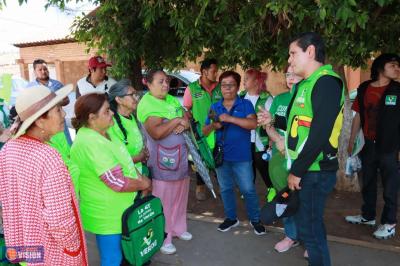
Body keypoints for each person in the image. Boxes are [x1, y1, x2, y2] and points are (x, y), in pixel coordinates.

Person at [0, 84, 87, 265]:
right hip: (52, 252)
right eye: (58, 110)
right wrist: (73, 249)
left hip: (24, 248)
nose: (64, 114)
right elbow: (60, 220)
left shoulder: (8, 149)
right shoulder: (48, 156)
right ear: (40, 121)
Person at [285, 32, 344, 266]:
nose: (289, 60)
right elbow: (298, 125)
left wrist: (297, 170)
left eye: (292, 53)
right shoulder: (305, 85)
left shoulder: (326, 82)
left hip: (315, 171)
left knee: (310, 231)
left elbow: (319, 133)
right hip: (307, 170)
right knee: (310, 226)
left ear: (310, 51)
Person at [70, 93, 151, 266]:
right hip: (107, 214)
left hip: (122, 209)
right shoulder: (89, 141)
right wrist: (143, 183)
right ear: (92, 118)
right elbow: (116, 181)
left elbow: (126, 162)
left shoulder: (105, 132)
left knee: (127, 254)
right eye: (107, 111)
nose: (112, 113)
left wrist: (141, 180)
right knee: (112, 259)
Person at [203, 70, 266, 235]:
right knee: (225, 188)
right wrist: (213, 126)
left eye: (231, 85)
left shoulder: (245, 105)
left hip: (242, 157)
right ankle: (231, 218)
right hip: (221, 156)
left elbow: (253, 124)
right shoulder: (215, 106)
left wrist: (230, 119)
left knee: (248, 189)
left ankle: (255, 219)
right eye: (224, 85)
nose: (227, 88)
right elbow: (204, 130)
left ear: (237, 87)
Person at [345, 53, 400, 239]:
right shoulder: (364, 88)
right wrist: (352, 140)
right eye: (393, 65)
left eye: (398, 66)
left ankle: (389, 222)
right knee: (367, 181)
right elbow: (358, 115)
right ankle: (368, 216)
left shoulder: (398, 90)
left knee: (390, 186)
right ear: (380, 68)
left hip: (390, 147)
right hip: (368, 144)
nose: (397, 68)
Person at [137, 69, 192, 255]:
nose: (166, 85)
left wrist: (182, 120)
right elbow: (157, 133)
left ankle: (178, 228)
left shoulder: (168, 99)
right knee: (164, 201)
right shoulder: (147, 103)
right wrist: (176, 120)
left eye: (167, 81)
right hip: (162, 162)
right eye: (160, 82)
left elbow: (187, 118)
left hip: (180, 159)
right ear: (149, 84)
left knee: (180, 195)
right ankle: (162, 237)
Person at [258, 66, 303, 253]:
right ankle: (291, 236)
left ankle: (308, 239)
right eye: (288, 74)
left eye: (295, 74)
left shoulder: (308, 99)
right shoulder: (279, 99)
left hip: (300, 159)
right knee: (284, 200)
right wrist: (273, 136)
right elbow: (268, 126)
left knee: (305, 200)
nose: (291, 78)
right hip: (278, 159)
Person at [183, 58, 222, 200]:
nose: (216, 74)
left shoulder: (219, 87)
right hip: (201, 133)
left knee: (219, 158)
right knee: (201, 161)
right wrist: (191, 127)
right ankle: (200, 187)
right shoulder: (192, 88)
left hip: (218, 131)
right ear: (204, 72)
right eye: (213, 71)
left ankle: (223, 187)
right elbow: (186, 110)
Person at [240, 68, 273, 193]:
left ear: (256, 82)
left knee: (262, 165)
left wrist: (271, 140)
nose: (244, 82)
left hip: (261, 140)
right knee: (247, 165)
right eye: (244, 79)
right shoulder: (241, 96)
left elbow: (272, 120)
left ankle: (271, 188)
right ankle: (248, 189)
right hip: (244, 138)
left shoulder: (266, 98)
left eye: (247, 79)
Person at [107, 79, 149, 175]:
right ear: (119, 99)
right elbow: (114, 159)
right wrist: (139, 157)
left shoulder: (132, 117)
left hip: (138, 174)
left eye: (136, 94)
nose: (136, 98)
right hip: (124, 178)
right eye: (132, 95)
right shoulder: (111, 123)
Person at [26, 59, 72, 145]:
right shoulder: (30, 88)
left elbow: (67, 100)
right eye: (40, 69)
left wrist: (54, 103)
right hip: (42, 125)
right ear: (34, 72)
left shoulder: (57, 84)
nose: (43, 71)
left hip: (58, 119)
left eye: (45, 69)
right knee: (49, 146)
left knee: (66, 145)